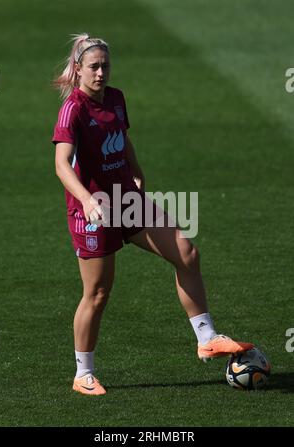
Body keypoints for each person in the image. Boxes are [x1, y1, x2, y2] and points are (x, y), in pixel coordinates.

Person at [52, 33, 253, 396]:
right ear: (78, 69)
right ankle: (83, 373)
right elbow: (61, 164)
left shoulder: (115, 98)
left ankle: (206, 337)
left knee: (187, 253)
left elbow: (122, 138)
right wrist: (85, 199)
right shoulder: (73, 109)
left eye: (105, 66)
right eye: (94, 67)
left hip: (126, 201)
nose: (101, 73)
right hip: (93, 211)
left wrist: (136, 169)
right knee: (97, 292)